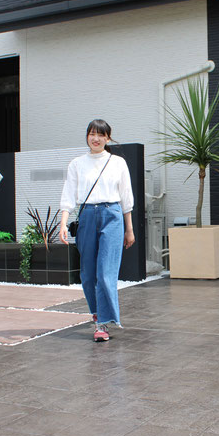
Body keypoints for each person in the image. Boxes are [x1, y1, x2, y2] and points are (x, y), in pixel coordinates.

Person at [59, 119, 135, 342]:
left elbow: (126, 197)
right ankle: (97, 312)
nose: (96, 138)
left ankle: (103, 323)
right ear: (87, 137)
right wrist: (63, 223)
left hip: (112, 215)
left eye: (101, 135)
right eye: (92, 134)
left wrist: (129, 229)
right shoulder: (77, 164)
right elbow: (69, 194)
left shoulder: (117, 163)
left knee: (105, 273)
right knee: (88, 274)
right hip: (87, 216)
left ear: (108, 138)